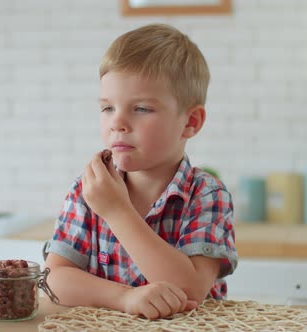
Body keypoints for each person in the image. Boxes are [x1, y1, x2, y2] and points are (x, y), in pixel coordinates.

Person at [44, 23, 237, 320]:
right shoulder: (89, 189)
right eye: (107, 108)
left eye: (142, 109)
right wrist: (126, 298)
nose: (117, 123)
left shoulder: (207, 194)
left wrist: (117, 211)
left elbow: (190, 291)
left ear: (191, 122)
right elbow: (52, 281)